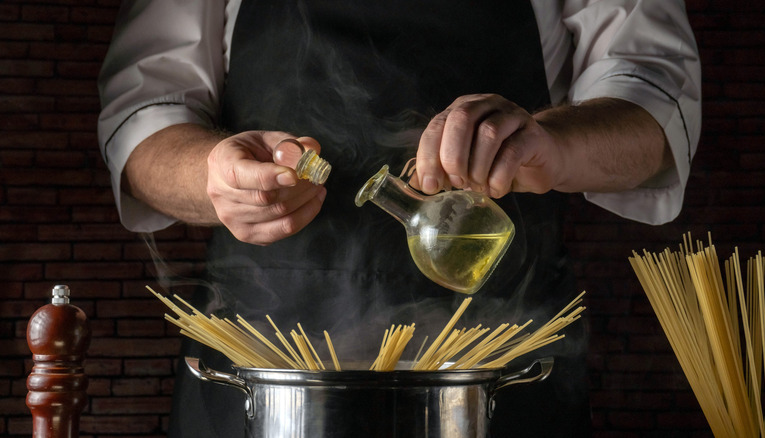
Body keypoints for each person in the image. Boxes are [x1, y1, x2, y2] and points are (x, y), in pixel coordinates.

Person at [98, 1, 701, 436]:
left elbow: (651, 95)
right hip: (266, 363)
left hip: (498, 361)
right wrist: (212, 175)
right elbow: (146, 114)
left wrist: (554, 142)